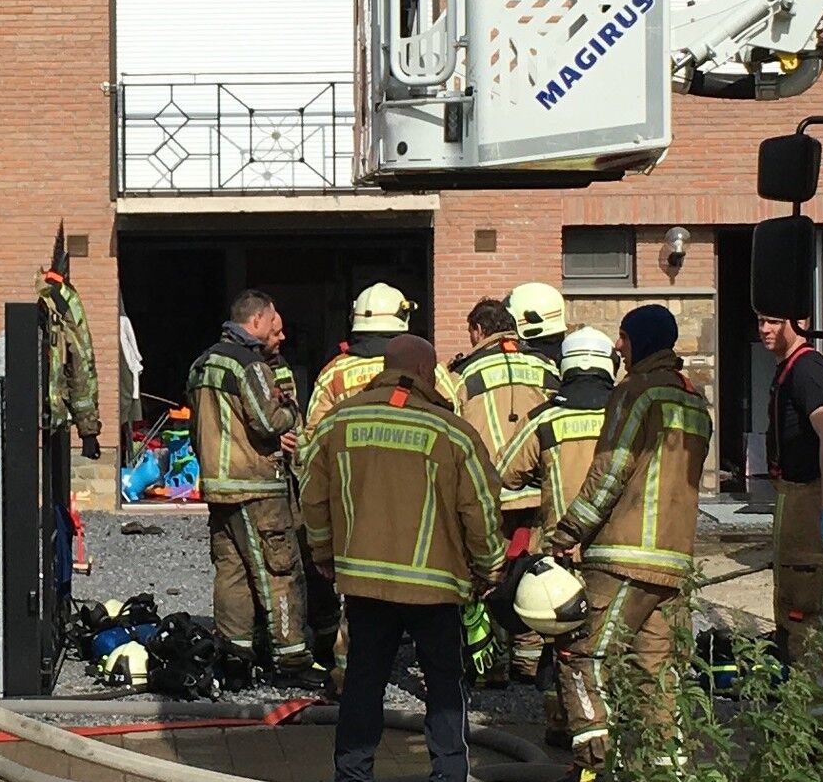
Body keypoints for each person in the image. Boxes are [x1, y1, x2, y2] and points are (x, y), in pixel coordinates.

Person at [302, 333, 500, 782]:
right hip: (434, 586)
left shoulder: (339, 422)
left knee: (363, 680)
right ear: (427, 372)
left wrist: (324, 552)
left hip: (364, 582)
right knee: (445, 687)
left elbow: (312, 494)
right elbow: (480, 509)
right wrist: (489, 567)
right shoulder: (452, 433)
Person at [543, 305, 714, 764]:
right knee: (656, 672)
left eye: (623, 337)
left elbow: (611, 471)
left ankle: (593, 771)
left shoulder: (634, 393)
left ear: (640, 340)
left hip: (623, 556)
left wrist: (567, 533)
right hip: (674, 562)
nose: (618, 347)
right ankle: (664, 778)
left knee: (582, 655)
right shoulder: (695, 403)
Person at [188, 289, 313, 679]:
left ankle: (235, 656)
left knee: (232, 571)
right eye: (274, 324)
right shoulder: (250, 366)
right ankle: (291, 659)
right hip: (256, 486)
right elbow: (268, 420)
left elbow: (197, 428)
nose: (279, 334)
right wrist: (290, 408)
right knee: (279, 570)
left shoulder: (202, 364)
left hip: (218, 486)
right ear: (257, 320)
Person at [758, 306, 823, 658]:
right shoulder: (787, 368)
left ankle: (820, 688)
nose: (765, 329)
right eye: (761, 321)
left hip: (810, 500)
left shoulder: (808, 369)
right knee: (791, 599)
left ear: (800, 323)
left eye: (774, 321)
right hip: (792, 498)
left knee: (809, 605)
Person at [497, 326, 619, 543]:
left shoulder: (543, 419)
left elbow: (506, 473)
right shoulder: (626, 415)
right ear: (611, 364)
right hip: (612, 544)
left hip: (558, 545)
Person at [455, 284, 561, 521]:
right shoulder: (546, 366)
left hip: (488, 497)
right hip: (538, 496)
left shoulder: (462, 374)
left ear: (479, 330)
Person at [40, 236, 100, 618]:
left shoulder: (50, 299)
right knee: (50, 516)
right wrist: (88, 429)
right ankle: (52, 604)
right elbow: (81, 365)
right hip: (50, 421)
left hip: (45, 421)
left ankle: (54, 605)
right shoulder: (62, 301)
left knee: (51, 516)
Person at [307, 280, 441, 418]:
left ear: (354, 317)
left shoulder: (333, 372)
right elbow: (450, 415)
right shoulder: (427, 367)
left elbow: (316, 426)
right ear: (403, 316)